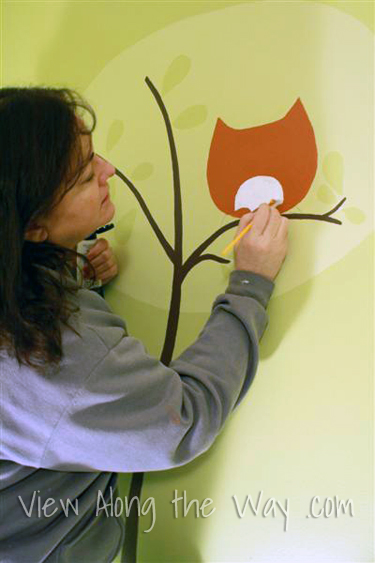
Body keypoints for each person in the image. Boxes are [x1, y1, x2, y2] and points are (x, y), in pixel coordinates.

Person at [0, 87, 288, 562]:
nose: (109, 169)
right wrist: (251, 284)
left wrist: (68, 274)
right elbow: (184, 419)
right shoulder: (53, 356)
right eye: (83, 175)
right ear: (31, 228)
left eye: (94, 156)